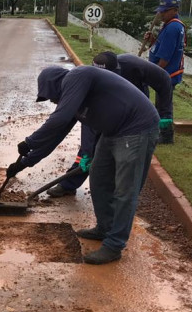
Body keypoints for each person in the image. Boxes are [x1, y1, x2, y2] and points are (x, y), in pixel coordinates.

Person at [11, 65, 159, 265]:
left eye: (50, 96)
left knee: (125, 190)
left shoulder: (77, 76)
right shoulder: (73, 100)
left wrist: (29, 141)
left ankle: (114, 245)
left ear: (57, 84)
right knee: (98, 178)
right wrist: (23, 163)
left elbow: (59, 118)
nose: (53, 101)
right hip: (113, 132)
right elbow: (55, 136)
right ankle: (105, 228)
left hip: (136, 128)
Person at [47, 51, 173, 197]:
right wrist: (87, 152)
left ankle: (119, 192)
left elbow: (164, 79)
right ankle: (69, 184)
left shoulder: (132, 64)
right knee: (90, 150)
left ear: (117, 69)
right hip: (109, 110)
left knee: (125, 153)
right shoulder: (91, 81)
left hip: (137, 111)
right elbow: (89, 124)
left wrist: (165, 114)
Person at [144, 0, 185, 144]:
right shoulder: (170, 25)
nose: (161, 14)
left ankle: (166, 136)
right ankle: (161, 132)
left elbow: (165, 57)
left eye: (164, 11)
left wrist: (154, 73)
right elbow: (161, 46)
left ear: (174, 10)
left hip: (167, 73)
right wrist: (152, 40)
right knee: (161, 103)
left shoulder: (173, 27)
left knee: (164, 106)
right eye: (160, 11)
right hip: (165, 72)